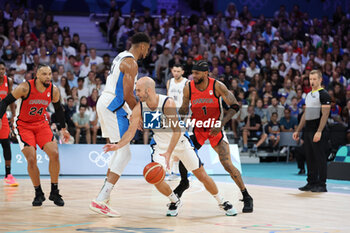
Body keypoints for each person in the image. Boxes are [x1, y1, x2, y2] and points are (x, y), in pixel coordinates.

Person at [104, 77, 237, 217]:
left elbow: (177, 131)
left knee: (201, 175)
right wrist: (118, 145)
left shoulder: (167, 103)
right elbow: (131, 132)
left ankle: (221, 201)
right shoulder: (140, 107)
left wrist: (169, 152)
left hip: (180, 142)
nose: (136, 93)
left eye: (138, 90)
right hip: (160, 146)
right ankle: (174, 200)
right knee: (155, 177)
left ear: (148, 90)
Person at [177, 61, 253, 213]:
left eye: (197, 73)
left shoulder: (217, 86)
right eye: (193, 73)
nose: (193, 76)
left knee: (227, 164)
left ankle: (246, 196)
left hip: (215, 128)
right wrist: (178, 113)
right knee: (184, 155)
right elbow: (184, 109)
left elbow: (235, 106)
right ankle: (184, 182)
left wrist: (222, 123)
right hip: (198, 128)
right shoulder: (188, 87)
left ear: (206, 73)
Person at [89, 32, 150, 217]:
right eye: (147, 48)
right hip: (113, 105)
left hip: (108, 103)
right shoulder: (131, 62)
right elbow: (127, 94)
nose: (148, 51)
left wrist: (132, 114)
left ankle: (104, 196)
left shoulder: (120, 56)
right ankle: (101, 199)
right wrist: (137, 115)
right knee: (124, 153)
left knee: (118, 150)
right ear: (142, 46)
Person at [0, 65, 70, 206]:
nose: (48, 77)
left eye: (49, 74)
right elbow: (5, 102)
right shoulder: (25, 87)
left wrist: (63, 129)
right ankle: (38, 193)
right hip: (23, 126)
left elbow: (58, 109)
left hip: (41, 124)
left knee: (54, 153)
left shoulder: (53, 90)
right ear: (37, 75)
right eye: (44, 74)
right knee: (31, 158)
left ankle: (54, 192)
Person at [293, 70, 331, 192]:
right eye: (310, 79)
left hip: (318, 128)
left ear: (320, 80)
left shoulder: (324, 94)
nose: (312, 81)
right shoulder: (308, 95)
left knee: (319, 157)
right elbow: (306, 113)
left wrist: (319, 131)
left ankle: (322, 184)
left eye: (315, 79)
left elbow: (325, 114)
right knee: (309, 157)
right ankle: (311, 182)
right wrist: (298, 130)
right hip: (308, 129)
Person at [165, 63, 188, 181]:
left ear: (183, 72)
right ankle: (173, 171)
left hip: (183, 115)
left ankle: (182, 170)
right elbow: (167, 98)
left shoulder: (187, 83)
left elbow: (189, 101)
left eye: (178, 71)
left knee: (182, 143)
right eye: (174, 71)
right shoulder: (169, 82)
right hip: (171, 115)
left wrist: (185, 118)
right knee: (172, 143)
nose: (176, 73)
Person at [0, 62, 17, 186]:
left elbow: (11, 99)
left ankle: (8, 174)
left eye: (2, 69)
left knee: (6, 143)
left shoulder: (9, 81)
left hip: (3, 116)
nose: (1, 71)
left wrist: (13, 115)